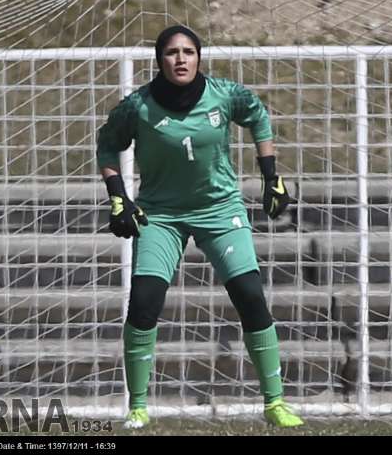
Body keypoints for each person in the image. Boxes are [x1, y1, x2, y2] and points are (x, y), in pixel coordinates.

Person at [96, 25, 302, 431]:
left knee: (250, 297)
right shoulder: (137, 105)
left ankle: (275, 403)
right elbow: (107, 143)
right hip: (162, 216)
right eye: (172, 52)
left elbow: (258, 117)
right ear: (160, 60)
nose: (180, 58)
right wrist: (118, 194)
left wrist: (271, 175)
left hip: (220, 210)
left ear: (199, 57)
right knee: (143, 304)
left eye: (188, 51)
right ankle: (137, 408)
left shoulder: (225, 94)